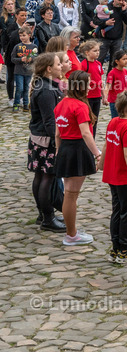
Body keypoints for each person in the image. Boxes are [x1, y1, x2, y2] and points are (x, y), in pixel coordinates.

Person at [55, 70, 102, 245]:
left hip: (66, 148)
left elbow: (58, 134)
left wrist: (59, 152)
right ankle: (71, 234)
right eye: (89, 83)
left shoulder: (62, 103)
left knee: (69, 193)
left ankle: (71, 231)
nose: (91, 86)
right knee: (71, 195)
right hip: (77, 150)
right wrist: (97, 153)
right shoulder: (80, 106)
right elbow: (85, 134)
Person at [100, 90, 127, 264]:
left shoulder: (113, 122)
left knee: (117, 211)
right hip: (125, 178)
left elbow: (106, 144)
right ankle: (125, 249)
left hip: (112, 175)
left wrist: (102, 164)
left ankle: (116, 247)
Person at [28, 53, 66, 232]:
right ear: (48, 69)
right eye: (58, 64)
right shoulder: (46, 90)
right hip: (47, 140)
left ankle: (43, 213)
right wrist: (57, 142)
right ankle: (47, 218)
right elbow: (50, 121)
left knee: (40, 176)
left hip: (39, 137)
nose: (61, 67)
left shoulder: (46, 85)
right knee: (46, 177)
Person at [79, 40, 105, 130]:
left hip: (97, 95)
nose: (97, 53)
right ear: (87, 53)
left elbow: (100, 81)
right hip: (88, 96)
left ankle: (92, 139)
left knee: (95, 119)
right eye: (95, 51)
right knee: (88, 119)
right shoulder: (83, 65)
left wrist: (104, 96)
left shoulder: (98, 64)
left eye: (98, 50)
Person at [13, 25, 38, 111]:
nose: (22, 37)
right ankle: (16, 104)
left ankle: (25, 104)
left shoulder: (34, 47)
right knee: (19, 88)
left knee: (27, 88)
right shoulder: (17, 47)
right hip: (19, 71)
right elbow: (12, 59)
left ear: (29, 35)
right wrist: (21, 59)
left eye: (24, 35)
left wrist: (32, 59)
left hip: (29, 71)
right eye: (20, 35)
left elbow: (36, 58)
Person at [104, 50, 127, 118]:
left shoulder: (125, 71)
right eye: (123, 59)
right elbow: (107, 86)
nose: (126, 61)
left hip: (124, 100)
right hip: (115, 101)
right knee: (116, 119)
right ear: (117, 61)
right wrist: (105, 97)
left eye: (126, 59)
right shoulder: (112, 73)